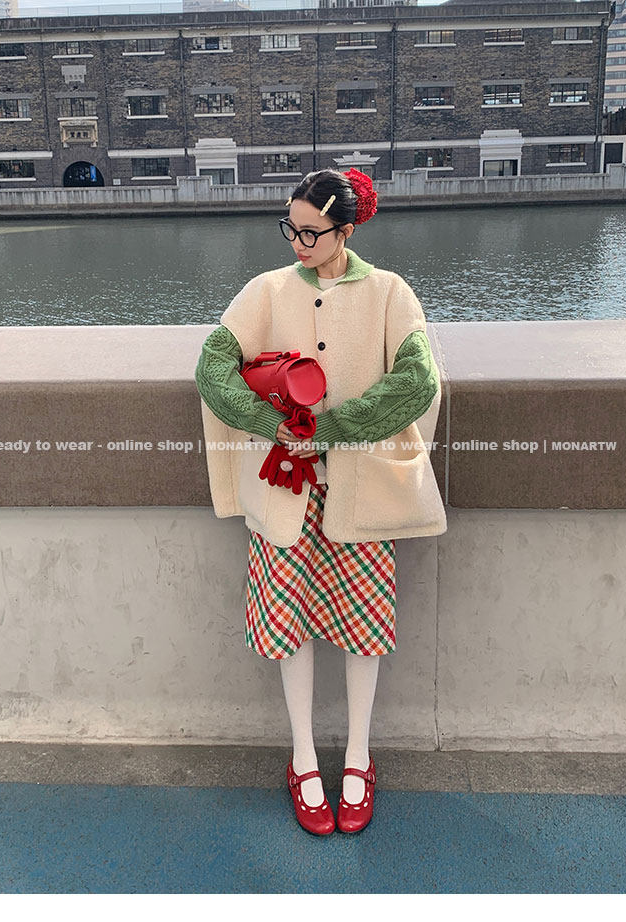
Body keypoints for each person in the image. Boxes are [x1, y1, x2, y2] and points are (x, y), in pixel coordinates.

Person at [195, 167, 447, 835]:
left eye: (311, 232)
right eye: (291, 228)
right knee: (290, 626)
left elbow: (417, 380)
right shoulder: (265, 291)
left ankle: (359, 756)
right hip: (285, 494)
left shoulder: (390, 293)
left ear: (346, 229)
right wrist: (269, 421)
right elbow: (212, 366)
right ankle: (303, 758)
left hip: (363, 495)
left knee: (364, 628)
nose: (297, 242)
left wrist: (330, 429)